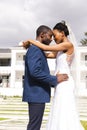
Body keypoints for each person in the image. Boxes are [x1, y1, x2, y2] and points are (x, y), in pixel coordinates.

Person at [22, 21, 84, 130]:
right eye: (51, 36)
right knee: (58, 111)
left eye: (54, 35)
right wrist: (32, 48)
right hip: (58, 83)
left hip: (64, 82)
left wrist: (31, 41)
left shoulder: (68, 45)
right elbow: (47, 54)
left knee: (65, 111)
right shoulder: (59, 50)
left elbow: (46, 49)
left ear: (62, 33)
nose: (53, 39)